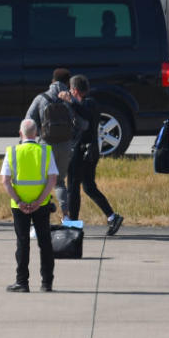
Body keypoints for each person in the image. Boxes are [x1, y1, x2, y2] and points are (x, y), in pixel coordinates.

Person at [1, 119, 58, 293]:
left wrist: (19, 201)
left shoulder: (12, 152)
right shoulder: (46, 152)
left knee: (23, 242)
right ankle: (46, 283)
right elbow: (52, 179)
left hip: (19, 206)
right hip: (41, 205)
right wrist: (40, 201)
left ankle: (22, 282)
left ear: (20, 134)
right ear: (37, 133)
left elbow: (5, 181)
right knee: (45, 242)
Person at [63, 74, 123, 236]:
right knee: (89, 187)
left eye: (70, 89)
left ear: (74, 90)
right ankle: (112, 216)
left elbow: (85, 114)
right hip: (89, 151)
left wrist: (70, 102)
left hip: (82, 152)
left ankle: (73, 225)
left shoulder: (89, 104)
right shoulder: (88, 103)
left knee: (73, 188)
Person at [25, 68, 82, 224]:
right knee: (59, 182)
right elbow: (82, 124)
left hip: (45, 146)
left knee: (42, 182)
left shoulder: (41, 98)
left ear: (52, 80)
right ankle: (66, 217)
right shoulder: (69, 99)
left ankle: (39, 220)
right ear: (67, 83)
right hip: (65, 146)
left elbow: (28, 121)